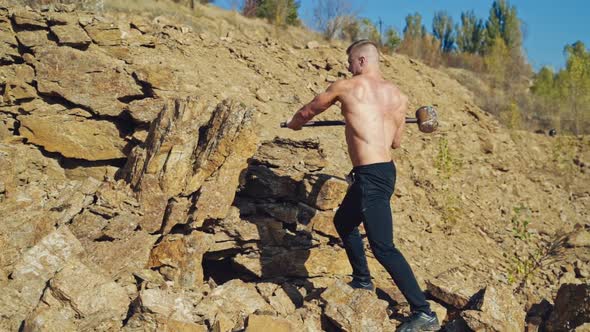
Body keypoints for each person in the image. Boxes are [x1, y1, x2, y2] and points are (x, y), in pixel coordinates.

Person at [285, 39, 440, 332]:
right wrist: (367, 122)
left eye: (350, 62)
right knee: (344, 221)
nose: (347, 67)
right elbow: (395, 142)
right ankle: (362, 280)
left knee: (383, 246)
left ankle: (423, 312)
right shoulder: (398, 96)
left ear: (362, 61)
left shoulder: (346, 87)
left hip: (370, 176)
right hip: (384, 171)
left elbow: (308, 111)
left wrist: (294, 123)